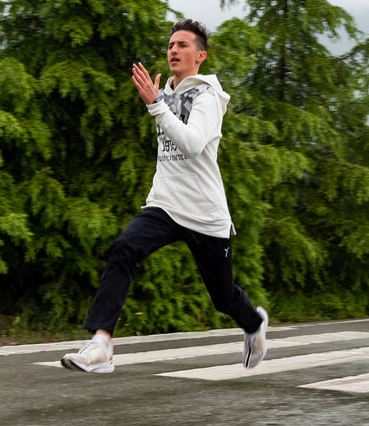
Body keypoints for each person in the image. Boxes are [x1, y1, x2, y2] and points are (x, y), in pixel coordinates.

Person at [60, 19, 268, 373]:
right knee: (124, 247)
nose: (173, 50)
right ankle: (101, 345)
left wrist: (156, 105)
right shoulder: (166, 92)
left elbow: (191, 144)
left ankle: (253, 324)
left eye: (183, 45)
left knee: (222, 296)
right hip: (166, 204)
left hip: (204, 212)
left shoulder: (208, 97)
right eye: (171, 44)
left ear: (200, 55)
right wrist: (159, 101)